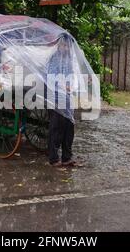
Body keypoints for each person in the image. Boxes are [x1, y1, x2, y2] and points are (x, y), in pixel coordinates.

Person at [46, 34, 77, 167]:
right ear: (59, 45)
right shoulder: (54, 58)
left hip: (68, 97)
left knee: (69, 126)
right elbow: (51, 78)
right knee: (56, 127)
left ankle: (66, 157)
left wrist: (71, 86)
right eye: (63, 45)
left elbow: (72, 76)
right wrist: (63, 85)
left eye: (67, 45)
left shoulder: (70, 59)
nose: (65, 47)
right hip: (56, 96)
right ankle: (53, 158)